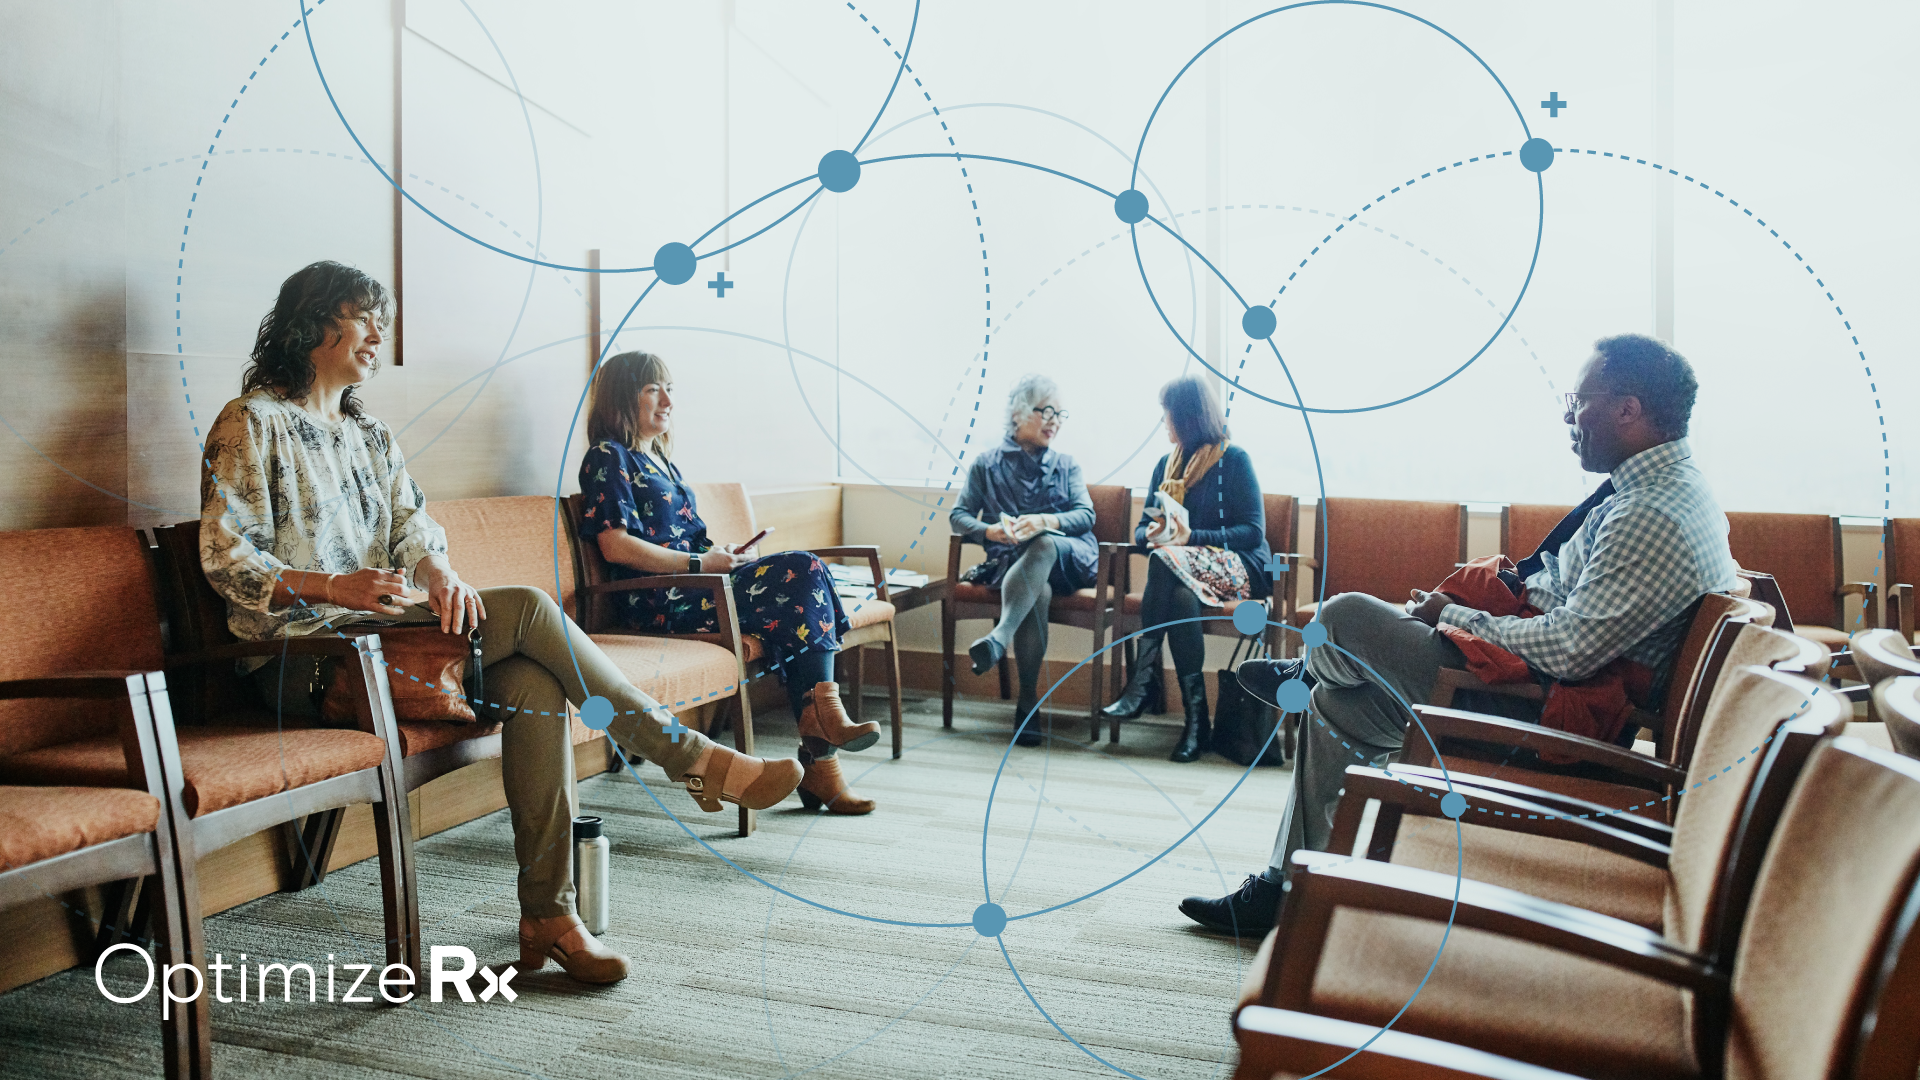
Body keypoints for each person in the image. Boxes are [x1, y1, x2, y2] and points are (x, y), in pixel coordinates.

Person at [201, 261, 803, 987]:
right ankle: (689, 758)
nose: (378, 334)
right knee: (523, 604)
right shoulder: (251, 421)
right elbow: (225, 556)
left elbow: (413, 529)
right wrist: (334, 585)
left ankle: (550, 915)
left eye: (381, 319)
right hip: (301, 656)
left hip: (387, 641)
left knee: (533, 685)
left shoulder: (369, 433)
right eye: (364, 317)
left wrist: (440, 575)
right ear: (312, 323)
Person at [1180, 333, 1738, 934]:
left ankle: (1316, 665)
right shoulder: (1662, 490)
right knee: (1334, 704)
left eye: (1578, 399)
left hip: (1529, 709)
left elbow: (1571, 651)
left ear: (1628, 409)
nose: (1570, 414)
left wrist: (1455, 617)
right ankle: (1286, 887)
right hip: (1509, 677)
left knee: (1343, 615)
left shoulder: (1649, 512)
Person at [577, 350, 881, 815]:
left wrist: (729, 557)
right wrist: (702, 565)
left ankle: (823, 736)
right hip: (658, 598)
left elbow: (695, 538)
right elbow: (615, 546)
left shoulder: (660, 462)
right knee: (802, 571)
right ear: (622, 397)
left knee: (803, 586)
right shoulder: (607, 457)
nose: (667, 401)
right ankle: (823, 744)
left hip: (699, 587)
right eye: (652, 389)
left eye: (670, 389)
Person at [1102, 375, 1268, 762]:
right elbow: (1143, 529)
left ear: (1188, 416)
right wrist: (1157, 533)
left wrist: (1190, 537)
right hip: (1182, 572)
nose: (1164, 423)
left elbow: (1253, 531)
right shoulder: (1166, 465)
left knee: (1166, 559)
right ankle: (1197, 723)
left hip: (1239, 569)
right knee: (1178, 594)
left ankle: (1142, 684)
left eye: (1168, 414)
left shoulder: (1235, 459)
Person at [949, 375, 1099, 747]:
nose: (1054, 420)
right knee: (1039, 593)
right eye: (1045, 410)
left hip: (1070, 560)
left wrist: (1047, 522)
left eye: (1060, 413)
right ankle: (1028, 705)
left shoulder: (1067, 465)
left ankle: (999, 638)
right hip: (1013, 565)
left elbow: (1086, 515)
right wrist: (989, 532)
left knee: (1044, 544)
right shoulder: (987, 464)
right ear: (1017, 413)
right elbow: (959, 516)